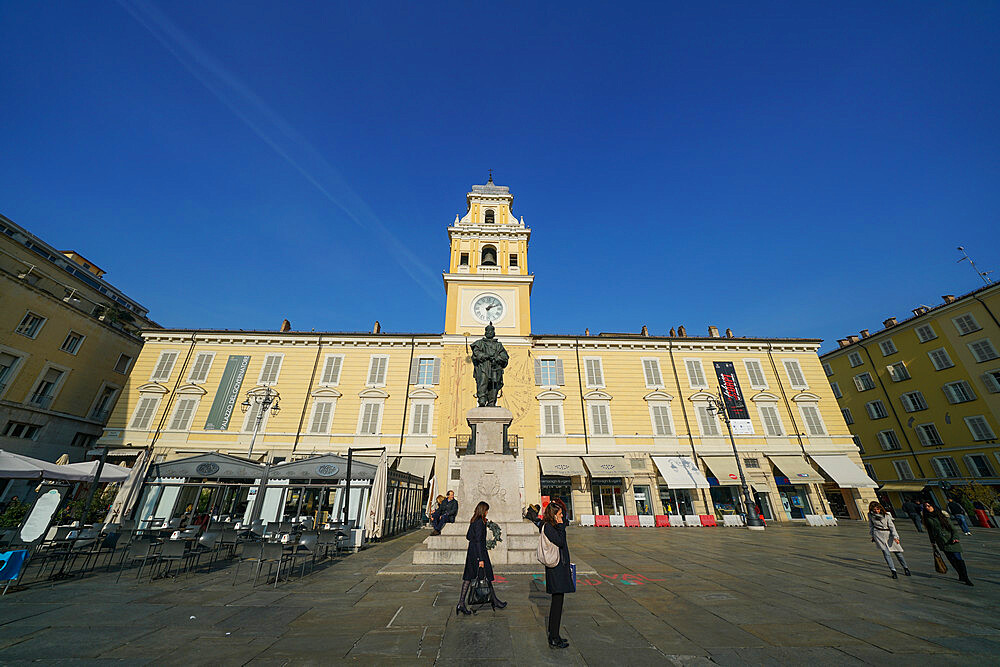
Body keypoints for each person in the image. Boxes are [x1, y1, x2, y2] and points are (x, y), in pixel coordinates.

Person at [456, 501, 505, 615]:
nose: (487, 512)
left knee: (468, 577)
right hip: (479, 553)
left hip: (471, 552)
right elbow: (478, 541)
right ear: (483, 510)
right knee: (486, 575)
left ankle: (461, 603)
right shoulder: (479, 522)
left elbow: (468, 536)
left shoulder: (474, 520)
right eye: (487, 510)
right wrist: (481, 559)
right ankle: (495, 601)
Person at [541, 502, 573, 649]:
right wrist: (560, 525)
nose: (562, 517)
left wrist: (561, 521)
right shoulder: (548, 527)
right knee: (557, 603)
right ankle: (554, 637)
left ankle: (555, 633)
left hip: (560, 567)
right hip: (556, 569)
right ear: (554, 515)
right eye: (559, 514)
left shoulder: (553, 526)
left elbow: (564, 526)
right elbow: (560, 541)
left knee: (558, 602)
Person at [923, 502, 973, 586]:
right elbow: (930, 532)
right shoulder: (927, 518)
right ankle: (960, 574)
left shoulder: (942, 516)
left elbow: (953, 529)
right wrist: (932, 542)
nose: (928, 507)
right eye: (926, 506)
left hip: (951, 540)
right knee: (952, 559)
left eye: (929, 505)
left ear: (933, 506)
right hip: (941, 541)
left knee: (958, 559)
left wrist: (955, 538)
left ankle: (966, 577)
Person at [868, 501, 910, 579]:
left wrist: (895, 537)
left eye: (878, 509)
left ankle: (905, 568)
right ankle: (893, 571)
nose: (877, 511)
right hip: (878, 535)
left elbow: (892, 526)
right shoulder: (870, 515)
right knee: (886, 554)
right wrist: (872, 535)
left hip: (889, 534)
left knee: (898, 553)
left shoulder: (887, 515)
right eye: (874, 509)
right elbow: (871, 526)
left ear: (880, 508)